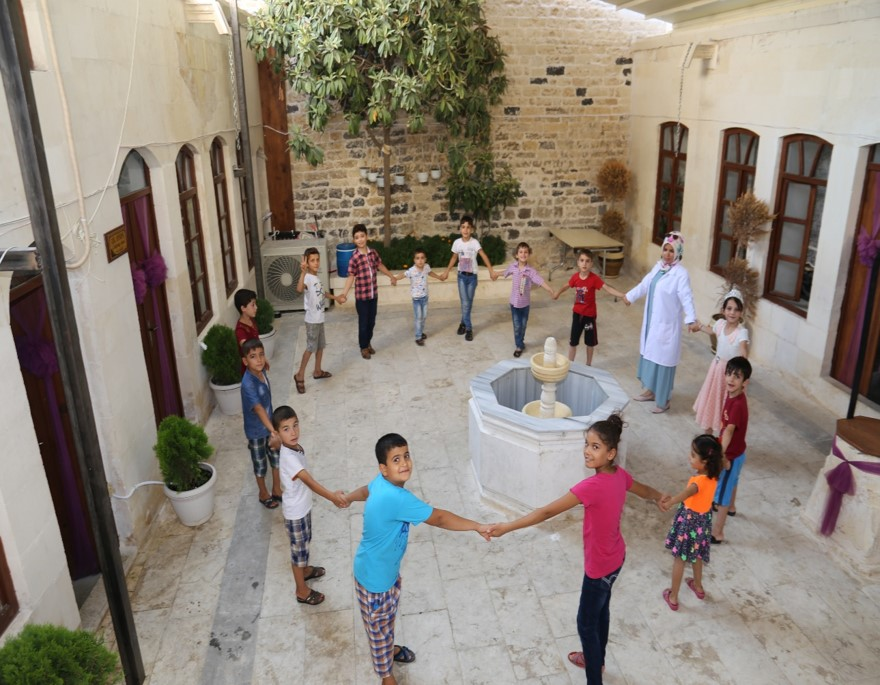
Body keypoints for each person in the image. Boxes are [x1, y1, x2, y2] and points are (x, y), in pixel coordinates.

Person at [488, 414, 664, 684]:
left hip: (600, 567)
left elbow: (546, 511)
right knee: (601, 611)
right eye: (586, 444)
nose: (587, 451)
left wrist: (507, 526)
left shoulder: (591, 486)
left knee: (585, 623)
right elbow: (643, 490)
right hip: (616, 558)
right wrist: (659, 496)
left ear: (611, 453)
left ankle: (595, 677)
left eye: (595, 446)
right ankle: (599, 660)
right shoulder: (620, 476)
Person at [344, 433, 491, 685]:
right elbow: (440, 518)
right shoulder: (397, 498)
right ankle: (387, 676)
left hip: (381, 573)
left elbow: (366, 490)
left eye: (406, 456)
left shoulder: (381, 483)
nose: (404, 463)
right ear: (384, 468)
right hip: (375, 584)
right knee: (378, 636)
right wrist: (476, 525)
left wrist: (347, 497)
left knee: (384, 624)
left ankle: (389, 650)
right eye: (396, 459)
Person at [272, 405, 348, 606]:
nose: (294, 432)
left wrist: (275, 442)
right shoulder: (289, 458)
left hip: (303, 509)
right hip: (295, 514)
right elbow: (310, 483)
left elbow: (277, 444)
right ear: (278, 433)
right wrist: (332, 496)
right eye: (286, 429)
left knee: (304, 545)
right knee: (298, 552)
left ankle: (305, 571)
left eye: (295, 425)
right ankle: (302, 591)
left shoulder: (291, 446)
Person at [623, 232, 700, 414]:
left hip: (666, 325)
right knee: (651, 358)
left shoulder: (681, 274)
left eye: (671, 251)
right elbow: (644, 285)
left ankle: (663, 401)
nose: (667, 254)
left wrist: (691, 318)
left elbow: (686, 297)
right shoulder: (658, 268)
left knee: (663, 362)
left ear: (678, 253)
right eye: (665, 249)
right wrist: (629, 296)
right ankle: (650, 392)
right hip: (652, 323)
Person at [659, 434, 723, 611]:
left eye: (694, 455)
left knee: (680, 559)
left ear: (705, 462)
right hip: (703, 522)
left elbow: (685, 494)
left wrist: (670, 502)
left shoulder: (698, 482)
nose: (689, 457)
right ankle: (699, 587)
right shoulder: (713, 477)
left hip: (689, 523)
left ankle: (673, 597)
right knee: (697, 555)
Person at [553, 250, 627, 365]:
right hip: (577, 316)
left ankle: (588, 365)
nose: (584, 264)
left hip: (589, 318)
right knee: (573, 341)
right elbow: (566, 285)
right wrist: (557, 293)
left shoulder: (594, 279)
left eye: (587, 261)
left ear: (591, 264)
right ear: (578, 262)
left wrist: (622, 295)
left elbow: (607, 288)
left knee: (590, 342)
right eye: (582, 261)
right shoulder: (575, 277)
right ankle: (570, 364)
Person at [692, 288, 750, 433]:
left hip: (731, 374)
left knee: (726, 405)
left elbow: (743, 349)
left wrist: (743, 371)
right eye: (729, 308)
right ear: (723, 310)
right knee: (713, 401)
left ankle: (723, 437)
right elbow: (711, 331)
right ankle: (708, 434)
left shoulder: (741, 332)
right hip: (717, 370)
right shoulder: (720, 324)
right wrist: (698, 327)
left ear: (741, 312)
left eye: (736, 310)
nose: (732, 312)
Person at [338, 224, 398, 359]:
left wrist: (391, 276)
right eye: (357, 237)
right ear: (354, 240)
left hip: (373, 295)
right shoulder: (354, 258)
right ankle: (363, 347)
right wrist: (344, 294)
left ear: (367, 236)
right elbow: (351, 276)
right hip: (362, 298)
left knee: (372, 322)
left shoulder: (373, 253)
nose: (360, 240)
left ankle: (368, 342)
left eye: (362, 236)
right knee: (363, 323)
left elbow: (380, 265)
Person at [711, 356, 751, 544]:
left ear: (745, 382)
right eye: (729, 374)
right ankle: (733, 507)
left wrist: (721, 455)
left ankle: (718, 532)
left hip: (731, 455)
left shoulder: (737, 405)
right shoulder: (733, 395)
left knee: (723, 495)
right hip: (738, 452)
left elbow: (729, 431)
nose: (731, 379)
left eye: (737, 376)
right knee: (732, 481)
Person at [239, 339, 281, 509]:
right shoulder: (247, 384)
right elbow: (258, 409)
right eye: (253, 357)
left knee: (277, 459)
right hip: (257, 432)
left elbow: (262, 365)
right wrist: (274, 431)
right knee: (260, 464)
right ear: (245, 361)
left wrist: (264, 365)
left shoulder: (260, 369)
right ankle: (263, 493)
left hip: (269, 426)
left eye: (261, 355)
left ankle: (277, 489)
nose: (259, 360)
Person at [293, 247, 342, 394]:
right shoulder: (307, 277)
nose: (316, 263)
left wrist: (336, 298)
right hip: (312, 320)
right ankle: (300, 374)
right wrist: (302, 272)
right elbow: (299, 289)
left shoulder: (316, 278)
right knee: (310, 347)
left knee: (320, 346)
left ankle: (317, 371)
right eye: (312, 260)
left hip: (319, 318)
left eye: (317, 259)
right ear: (306, 263)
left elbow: (323, 294)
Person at [441, 216, 497, 341]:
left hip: (472, 278)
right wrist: (446, 272)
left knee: (468, 304)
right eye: (463, 227)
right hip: (461, 277)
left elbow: (483, 255)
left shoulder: (474, 243)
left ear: (472, 229)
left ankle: (462, 323)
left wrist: (491, 270)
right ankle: (469, 329)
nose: (465, 230)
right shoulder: (457, 243)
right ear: (460, 229)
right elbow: (454, 258)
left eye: (468, 227)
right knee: (465, 303)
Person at [500, 242, 555, 357]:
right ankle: (519, 346)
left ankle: (521, 341)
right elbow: (505, 272)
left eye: (525, 252)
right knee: (517, 326)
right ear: (516, 255)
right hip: (514, 304)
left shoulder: (531, 271)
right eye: (520, 252)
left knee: (523, 325)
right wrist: (495, 274)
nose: (523, 254)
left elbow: (540, 280)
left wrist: (549, 289)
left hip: (525, 304)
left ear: (529, 254)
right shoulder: (513, 267)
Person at [400, 248, 445, 346]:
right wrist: (394, 278)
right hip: (416, 299)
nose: (420, 260)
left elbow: (430, 273)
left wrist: (439, 277)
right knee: (418, 317)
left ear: (425, 259)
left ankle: (420, 331)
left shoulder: (426, 267)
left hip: (425, 297)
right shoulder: (412, 270)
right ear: (414, 260)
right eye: (417, 258)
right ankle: (418, 337)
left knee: (424, 317)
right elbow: (403, 275)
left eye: (422, 258)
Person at [234, 288, 268, 375]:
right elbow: (247, 349)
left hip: (259, 364)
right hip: (251, 369)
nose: (256, 307)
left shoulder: (251, 320)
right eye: (253, 305)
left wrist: (263, 358)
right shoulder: (240, 330)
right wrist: (261, 359)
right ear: (243, 308)